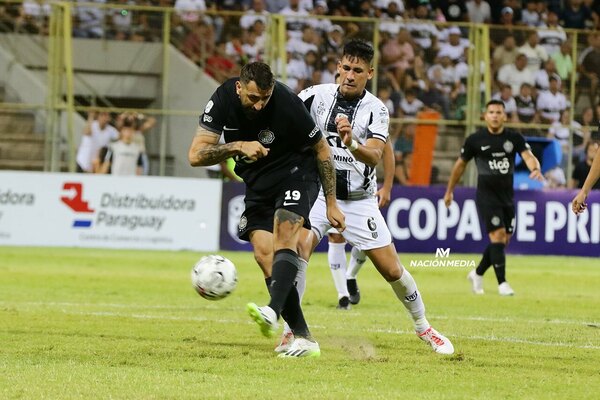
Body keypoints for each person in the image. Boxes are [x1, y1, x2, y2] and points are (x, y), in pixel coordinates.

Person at [278, 39, 455, 355]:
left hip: (360, 201)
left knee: (392, 271)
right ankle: (292, 332)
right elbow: (285, 120)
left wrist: (352, 143)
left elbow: (375, 154)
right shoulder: (314, 96)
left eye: (357, 70)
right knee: (299, 249)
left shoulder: (377, 110)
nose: (349, 75)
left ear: (369, 73)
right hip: (320, 194)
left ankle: (424, 327)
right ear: (338, 66)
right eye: (345, 67)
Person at [188, 62, 345, 358]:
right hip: (259, 184)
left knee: (286, 233)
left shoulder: (286, 102)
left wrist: (332, 202)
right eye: (252, 98)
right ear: (239, 88)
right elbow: (196, 155)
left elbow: (322, 150)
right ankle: (305, 338)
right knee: (263, 252)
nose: (259, 105)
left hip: (297, 173)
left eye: (265, 98)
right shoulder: (222, 99)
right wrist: (237, 146)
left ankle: (273, 311)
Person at [444, 100, 544, 296]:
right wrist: (449, 191)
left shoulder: (514, 138)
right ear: (485, 116)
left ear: (505, 116)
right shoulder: (475, 140)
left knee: (503, 241)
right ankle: (502, 284)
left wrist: (535, 168)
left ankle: (477, 273)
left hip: (507, 197)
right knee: (497, 236)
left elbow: (528, 156)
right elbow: (460, 166)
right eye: (491, 112)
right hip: (486, 197)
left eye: (499, 112)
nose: (495, 115)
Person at [327, 140, 395, 310]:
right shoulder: (325, 114)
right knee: (335, 236)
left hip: (362, 191)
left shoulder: (371, 114)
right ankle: (343, 295)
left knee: (367, 243)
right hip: (334, 187)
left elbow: (387, 148)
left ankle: (350, 275)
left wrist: (387, 187)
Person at [572, 142, 600, 215]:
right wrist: (583, 192)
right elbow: (573, 182)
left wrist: (584, 192)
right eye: (590, 150)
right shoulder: (580, 166)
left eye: (595, 150)